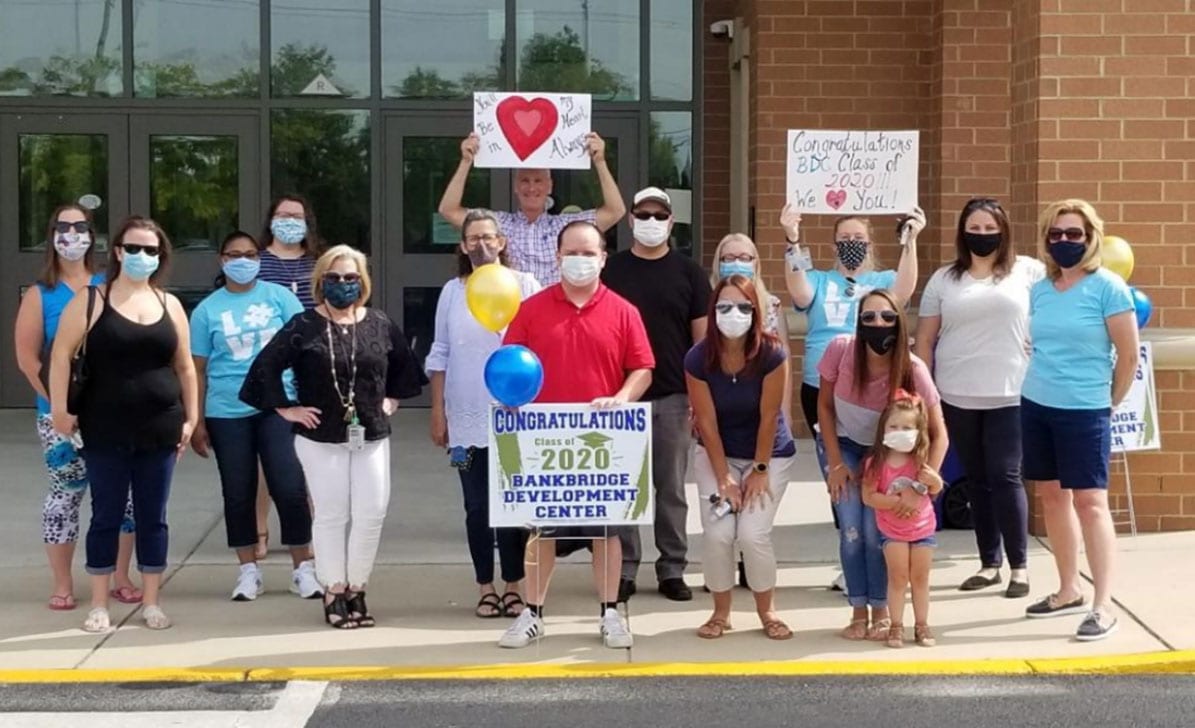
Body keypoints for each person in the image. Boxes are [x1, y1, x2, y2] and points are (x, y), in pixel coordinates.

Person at [241, 245, 426, 629]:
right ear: (321, 281)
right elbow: (266, 367)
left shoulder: (378, 322)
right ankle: (333, 588)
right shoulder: (303, 326)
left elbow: (404, 367)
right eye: (335, 277)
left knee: (371, 512)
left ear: (363, 282)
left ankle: (357, 586)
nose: (343, 284)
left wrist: (391, 399)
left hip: (370, 433)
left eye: (351, 277)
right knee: (331, 514)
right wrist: (286, 408)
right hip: (319, 436)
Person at [497, 221, 654, 650]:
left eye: (589, 253)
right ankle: (533, 613)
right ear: (557, 256)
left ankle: (609, 612)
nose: (580, 260)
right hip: (546, 442)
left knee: (606, 532)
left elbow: (642, 368)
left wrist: (623, 396)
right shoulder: (532, 309)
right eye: (572, 252)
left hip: (603, 442)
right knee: (542, 531)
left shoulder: (623, 311)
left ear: (603, 258)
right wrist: (511, 401)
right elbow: (510, 364)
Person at [49, 216, 199, 633]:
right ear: (117, 252)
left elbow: (185, 366)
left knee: (154, 516)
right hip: (104, 428)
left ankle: (152, 601)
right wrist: (60, 408)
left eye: (151, 250)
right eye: (133, 248)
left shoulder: (169, 304)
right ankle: (99, 602)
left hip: (159, 427)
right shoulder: (91, 300)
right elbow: (61, 354)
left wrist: (192, 417)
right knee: (107, 515)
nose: (141, 256)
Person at [1020, 199, 1138, 642]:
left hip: (1086, 409)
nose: (1064, 241)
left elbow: (1127, 356)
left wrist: (1108, 402)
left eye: (1074, 234)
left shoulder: (1109, 287)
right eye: (1057, 233)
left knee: (1090, 503)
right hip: (1036, 403)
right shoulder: (1041, 288)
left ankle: (1102, 604)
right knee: (1051, 497)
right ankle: (1068, 588)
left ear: (1091, 238)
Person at [914, 198, 1044, 598]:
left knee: (1006, 476)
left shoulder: (1029, 272)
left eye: (991, 229)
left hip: (1011, 392)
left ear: (1003, 231)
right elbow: (926, 339)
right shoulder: (944, 279)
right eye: (975, 228)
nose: (983, 235)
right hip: (956, 394)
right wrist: (922, 390)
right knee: (978, 480)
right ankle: (989, 562)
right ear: (962, 231)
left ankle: (1019, 567)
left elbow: (1053, 317)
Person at [13, 204, 139, 611]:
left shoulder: (109, 285)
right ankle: (64, 582)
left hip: (111, 411)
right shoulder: (39, 294)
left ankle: (120, 575)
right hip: (60, 416)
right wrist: (59, 403)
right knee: (65, 495)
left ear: (92, 235)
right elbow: (28, 359)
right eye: (63, 227)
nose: (71, 234)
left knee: (123, 496)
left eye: (80, 226)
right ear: (51, 235)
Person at [188, 231, 322, 602]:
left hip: (279, 406)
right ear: (222, 260)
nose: (243, 261)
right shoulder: (207, 311)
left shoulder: (280, 297)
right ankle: (248, 571)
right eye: (234, 255)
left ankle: (303, 568)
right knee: (238, 491)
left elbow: (306, 349)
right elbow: (196, 369)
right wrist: (196, 420)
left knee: (289, 485)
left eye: (250, 254)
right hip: (226, 410)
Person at [426, 210, 540, 619]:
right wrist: (437, 411)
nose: (482, 245)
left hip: (515, 421)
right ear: (462, 246)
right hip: (463, 423)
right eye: (473, 238)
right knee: (474, 504)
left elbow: (539, 347)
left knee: (511, 502)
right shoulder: (452, 292)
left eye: (489, 237)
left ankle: (513, 585)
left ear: (503, 241)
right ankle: (484, 586)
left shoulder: (526, 285)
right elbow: (439, 353)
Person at [817, 290, 947, 642]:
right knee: (853, 531)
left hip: (891, 455)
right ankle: (857, 611)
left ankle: (882, 612)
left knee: (878, 534)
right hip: (844, 448)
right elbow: (824, 408)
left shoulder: (912, 368)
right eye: (869, 317)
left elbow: (940, 435)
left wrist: (921, 485)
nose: (878, 324)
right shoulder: (840, 351)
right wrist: (835, 463)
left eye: (888, 317)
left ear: (900, 323)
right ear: (858, 322)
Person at [602, 187, 710, 603]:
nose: (650, 220)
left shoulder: (689, 273)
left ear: (670, 221)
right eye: (642, 213)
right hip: (619, 397)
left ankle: (671, 568)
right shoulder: (610, 270)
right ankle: (625, 567)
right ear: (629, 219)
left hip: (672, 395)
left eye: (658, 214)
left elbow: (701, 345)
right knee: (624, 488)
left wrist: (699, 401)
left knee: (670, 488)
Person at [686, 274, 797, 641]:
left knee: (752, 534)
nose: (734, 313)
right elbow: (705, 421)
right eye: (724, 306)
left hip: (768, 455)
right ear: (713, 311)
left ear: (756, 311)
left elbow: (770, 416)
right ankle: (721, 613)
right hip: (718, 453)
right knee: (718, 533)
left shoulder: (772, 352)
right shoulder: (698, 357)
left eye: (743, 307)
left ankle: (768, 611)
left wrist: (760, 470)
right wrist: (724, 478)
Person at [782, 204, 923, 440]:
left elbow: (902, 292)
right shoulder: (819, 279)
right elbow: (800, 292)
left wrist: (911, 241)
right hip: (819, 383)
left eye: (858, 238)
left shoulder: (884, 279)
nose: (852, 242)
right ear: (834, 247)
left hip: (872, 383)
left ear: (869, 246)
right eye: (844, 238)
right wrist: (792, 239)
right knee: (833, 461)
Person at [708, 232, 791, 590]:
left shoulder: (771, 305)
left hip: (761, 417)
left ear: (756, 262)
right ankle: (720, 582)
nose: (736, 261)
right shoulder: (708, 301)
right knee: (721, 521)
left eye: (745, 256)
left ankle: (751, 575)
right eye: (729, 256)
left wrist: (781, 415)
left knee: (754, 522)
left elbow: (783, 361)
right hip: (720, 420)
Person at [438, 132, 626, 286]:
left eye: (538, 181)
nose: (532, 187)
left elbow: (615, 211)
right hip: (509, 315)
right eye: (525, 181)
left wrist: (600, 162)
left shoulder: (567, 226)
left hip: (552, 315)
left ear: (550, 186)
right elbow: (449, 210)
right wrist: (465, 161)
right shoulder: (497, 224)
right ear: (515, 187)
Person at [254, 194, 324, 559]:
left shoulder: (316, 264)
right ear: (271, 220)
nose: (289, 221)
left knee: (310, 451)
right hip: (270, 365)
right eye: (282, 215)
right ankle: (260, 528)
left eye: (296, 216)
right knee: (268, 454)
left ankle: (309, 531)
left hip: (310, 366)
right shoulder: (257, 261)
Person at [861, 391, 945, 648]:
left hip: (923, 528)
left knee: (920, 578)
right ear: (883, 429)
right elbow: (868, 496)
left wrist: (936, 482)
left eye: (907, 427)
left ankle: (922, 624)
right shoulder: (876, 463)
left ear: (919, 431)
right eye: (894, 426)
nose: (900, 431)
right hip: (893, 530)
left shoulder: (921, 462)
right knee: (898, 577)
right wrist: (895, 503)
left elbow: (935, 489)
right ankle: (896, 624)